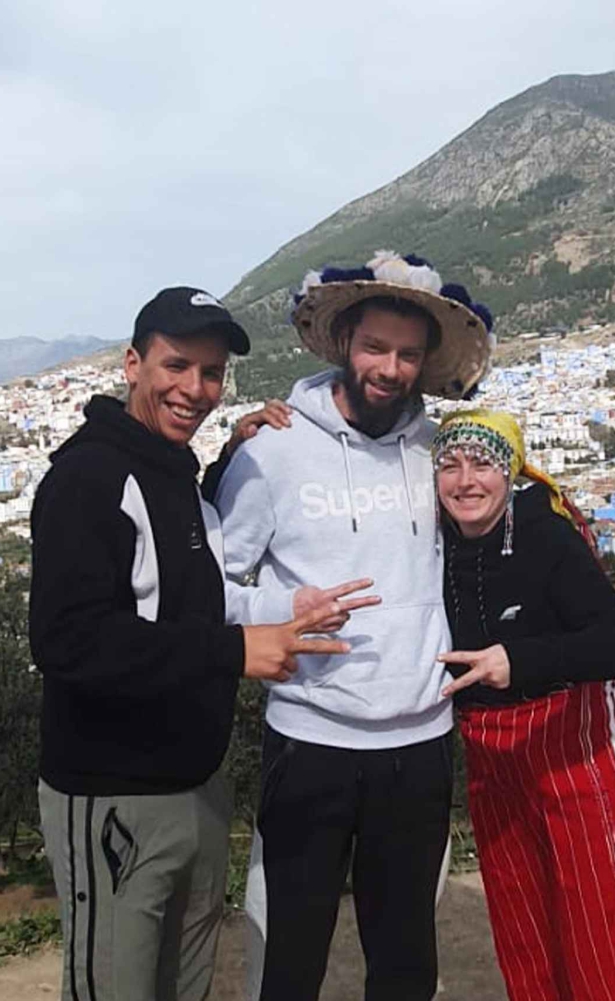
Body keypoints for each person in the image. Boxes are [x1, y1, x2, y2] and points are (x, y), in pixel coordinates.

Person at [29, 286, 368, 1001]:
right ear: (132, 364)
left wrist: (229, 459)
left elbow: (182, 576)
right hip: (113, 794)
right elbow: (69, 640)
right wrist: (234, 651)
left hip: (195, 788)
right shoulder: (88, 478)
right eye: (177, 365)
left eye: (211, 373)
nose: (194, 389)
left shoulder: (174, 469)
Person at [211, 251, 495, 1001]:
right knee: (290, 954)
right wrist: (283, 612)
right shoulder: (272, 451)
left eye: (408, 355)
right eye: (375, 347)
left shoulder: (437, 453)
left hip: (420, 741)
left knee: (405, 960)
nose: (390, 369)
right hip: (310, 739)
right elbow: (213, 584)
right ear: (344, 343)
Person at [430, 408, 615, 1001]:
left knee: (603, 935)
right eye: (450, 466)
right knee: (523, 929)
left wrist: (521, 659)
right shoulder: (436, 544)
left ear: (510, 472)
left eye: (482, 464)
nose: (466, 481)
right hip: (494, 761)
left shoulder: (546, 535)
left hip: (578, 749)